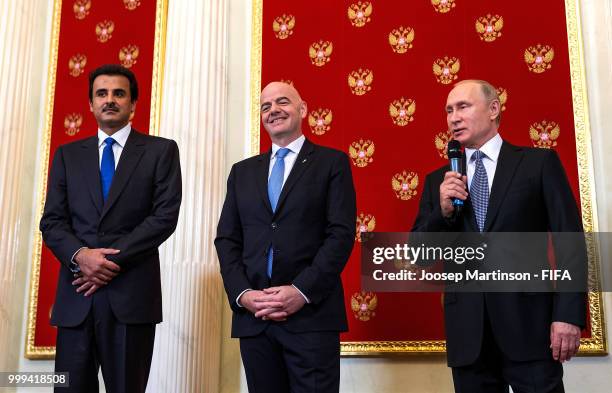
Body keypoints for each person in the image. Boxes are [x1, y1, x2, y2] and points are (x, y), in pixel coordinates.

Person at [412, 79, 586, 393]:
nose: (453, 118)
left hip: (529, 328)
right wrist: (442, 212)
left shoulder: (537, 164)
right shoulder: (438, 181)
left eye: (463, 107)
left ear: (494, 109)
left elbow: (569, 243)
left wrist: (568, 315)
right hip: (468, 336)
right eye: (449, 110)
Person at [40, 64, 182, 392]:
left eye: (119, 93)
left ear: (133, 104)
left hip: (130, 297)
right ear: (90, 104)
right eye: (101, 93)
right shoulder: (67, 156)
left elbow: (164, 217)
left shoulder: (161, 151)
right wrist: (81, 256)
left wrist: (106, 261)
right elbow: (52, 221)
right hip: (77, 294)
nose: (110, 100)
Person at [215, 81, 356, 393]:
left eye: (283, 102)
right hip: (255, 320)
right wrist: (243, 295)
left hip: (311, 317)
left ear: (303, 109)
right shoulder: (242, 172)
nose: (274, 110)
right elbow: (227, 240)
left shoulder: (331, 163)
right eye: (266, 106)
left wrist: (300, 291)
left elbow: (340, 235)